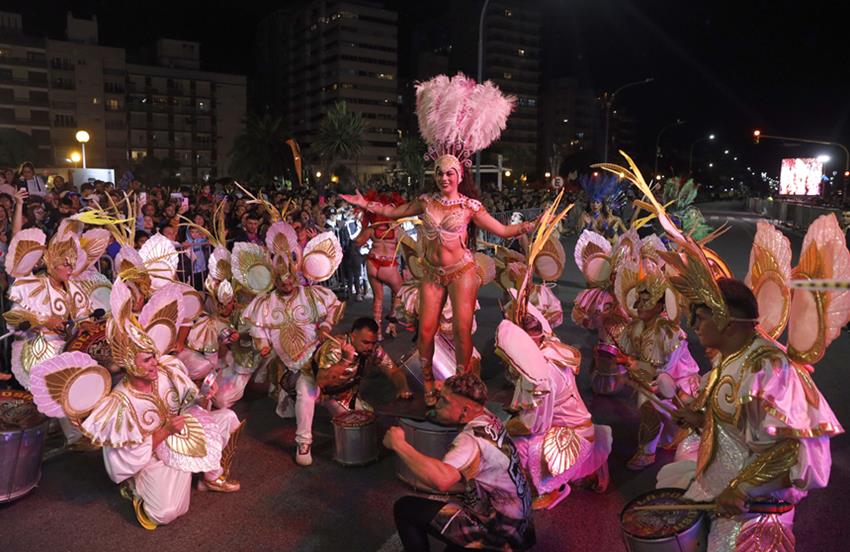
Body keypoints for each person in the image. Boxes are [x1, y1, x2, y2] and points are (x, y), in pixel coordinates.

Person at [342, 73, 536, 407]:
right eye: (440, 173)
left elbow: (501, 230)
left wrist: (530, 226)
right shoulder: (426, 202)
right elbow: (393, 211)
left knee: (462, 331)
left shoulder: (470, 206)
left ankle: (462, 382)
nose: (444, 177)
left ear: (459, 176)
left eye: (450, 173)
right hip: (432, 273)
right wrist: (364, 204)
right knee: (427, 330)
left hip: (461, 271)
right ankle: (430, 384)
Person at [387, 374, 535, 551]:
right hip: (521, 527)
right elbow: (449, 413)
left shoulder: (469, 441)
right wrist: (444, 394)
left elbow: (441, 480)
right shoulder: (488, 417)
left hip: (498, 532)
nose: (438, 404)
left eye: (444, 401)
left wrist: (399, 444)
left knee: (405, 508)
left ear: (465, 411)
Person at [501, 315, 612, 511]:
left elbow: (532, 425)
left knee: (520, 445)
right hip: (579, 423)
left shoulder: (538, 376)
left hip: (571, 433)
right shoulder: (551, 347)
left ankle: (553, 489)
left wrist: (503, 427)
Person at [299, 317, 412, 466]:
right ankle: (303, 442)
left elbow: (393, 371)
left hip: (341, 392)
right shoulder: (334, 347)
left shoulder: (374, 350)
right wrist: (345, 360)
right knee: (306, 395)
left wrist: (403, 387)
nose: (370, 347)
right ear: (353, 336)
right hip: (314, 382)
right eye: (365, 342)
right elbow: (322, 381)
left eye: (373, 343)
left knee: (365, 422)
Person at [355, 190, 405, 339]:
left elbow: (357, 242)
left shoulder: (371, 229)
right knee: (400, 293)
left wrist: (363, 226)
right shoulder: (396, 229)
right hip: (388, 266)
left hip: (372, 264)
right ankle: (391, 323)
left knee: (378, 298)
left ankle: (377, 333)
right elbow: (406, 247)